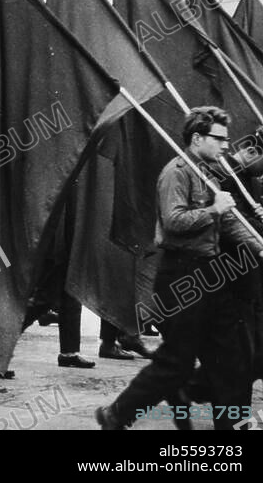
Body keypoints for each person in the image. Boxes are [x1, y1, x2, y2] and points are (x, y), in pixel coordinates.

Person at [96, 107, 263, 430]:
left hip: (211, 275)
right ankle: (117, 414)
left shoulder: (210, 175)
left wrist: (259, 245)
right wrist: (213, 209)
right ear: (197, 138)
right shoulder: (177, 172)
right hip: (181, 276)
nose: (227, 145)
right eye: (220, 139)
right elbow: (173, 222)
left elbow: (230, 224)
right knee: (176, 362)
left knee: (231, 358)